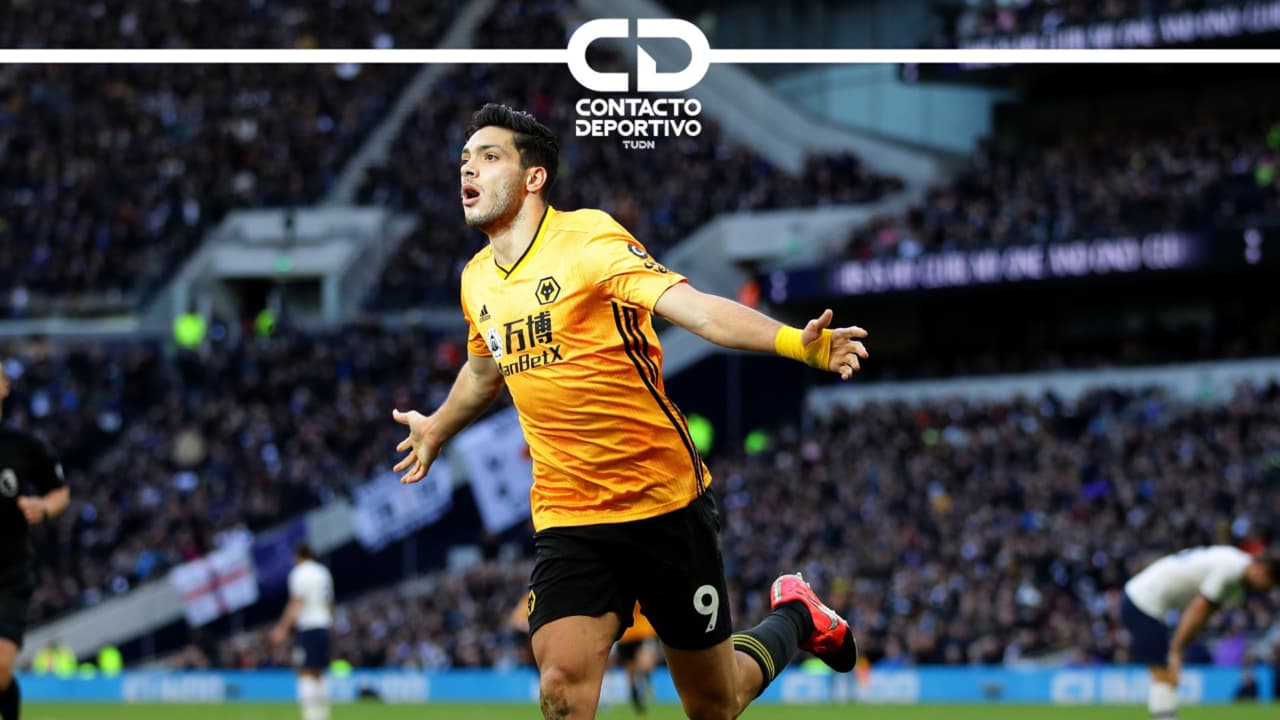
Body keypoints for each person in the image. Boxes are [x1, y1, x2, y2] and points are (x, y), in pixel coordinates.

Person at [392, 103, 867, 720]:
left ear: (533, 178)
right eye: (464, 159)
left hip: (662, 502)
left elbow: (697, 311)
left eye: (489, 156)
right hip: (569, 515)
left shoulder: (588, 241)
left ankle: (798, 616)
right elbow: (484, 373)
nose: (468, 169)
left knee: (715, 704)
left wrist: (793, 342)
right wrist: (437, 426)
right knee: (560, 690)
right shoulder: (476, 279)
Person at [1121, 546, 1280, 720]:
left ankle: (1165, 714)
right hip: (1142, 601)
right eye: (1267, 584)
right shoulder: (1231, 568)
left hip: (1149, 603)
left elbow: (1204, 613)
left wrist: (1179, 648)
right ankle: (1164, 715)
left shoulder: (1235, 566)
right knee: (1163, 669)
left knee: (1165, 668)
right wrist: (1177, 650)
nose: (1264, 590)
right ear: (1261, 570)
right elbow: (1198, 609)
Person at [0, 362, 70, 720]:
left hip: (9, 574)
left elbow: (59, 492)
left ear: (4, 387)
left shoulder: (24, 446)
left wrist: (44, 507)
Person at [269, 543, 334, 720]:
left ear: (298, 556)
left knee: (304, 671)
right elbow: (330, 603)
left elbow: (296, 602)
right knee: (319, 672)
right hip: (324, 626)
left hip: (307, 627)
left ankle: (311, 716)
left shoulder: (299, 573)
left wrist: (282, 628)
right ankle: (323, 715)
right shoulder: (323, 572)